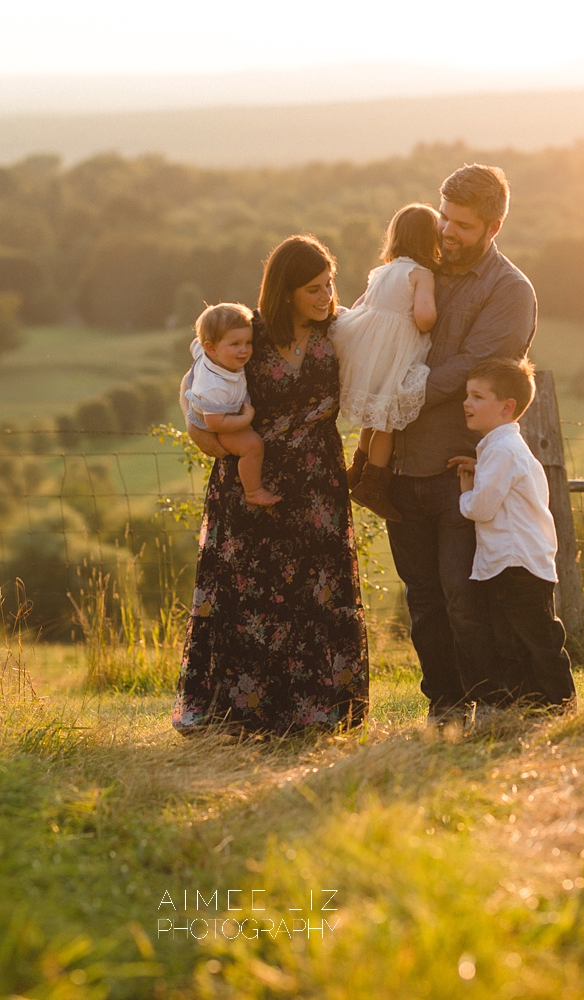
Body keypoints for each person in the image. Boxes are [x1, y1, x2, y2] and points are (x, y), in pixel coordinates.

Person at [172, 235, 370, 735]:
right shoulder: (247, 332)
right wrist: (202, 436)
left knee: (316, 591)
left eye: (329, 284)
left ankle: (319, 711)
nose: (325, 296)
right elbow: (195, 383)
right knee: (247, 591)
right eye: (312, 288)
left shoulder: (340, 331)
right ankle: (238, 712)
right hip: (250, 478)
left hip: (318, 480)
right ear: (284, 291)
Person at [385, 163, 539, 728]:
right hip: (401, 465)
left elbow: (475, 367)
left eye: (462, 225)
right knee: (423, 600)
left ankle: (490, 701)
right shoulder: (416, 267)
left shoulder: (510, 291)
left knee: (464, 597)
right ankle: (443, 704)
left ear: (493, 227)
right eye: (444, 216)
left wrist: (397, 392)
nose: (447, 231)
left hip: (461, 469)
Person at [447, 357, 575, 716]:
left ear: (507, 408)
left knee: (536, 639)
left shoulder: (502, 450)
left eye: (477, 396)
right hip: (512, 562)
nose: (466, 403)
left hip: (515, 564)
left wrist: (466, 493)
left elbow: (483, 508)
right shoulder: (499, 449)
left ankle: (562, 705)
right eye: (467, 395)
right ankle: (533, 707)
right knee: (516, 641)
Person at [330, 203, 440, 522]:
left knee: (373, 416)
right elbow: (423, 316)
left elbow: (361, 305)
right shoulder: (422, 274)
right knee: (388, 421)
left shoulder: (383, 271)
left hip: (369, 351)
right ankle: (374, 485)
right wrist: (432, 319)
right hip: (394, 354)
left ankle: (358, 469)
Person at [182, 302, 280, 507]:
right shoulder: (213, 387)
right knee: (252, 445)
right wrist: (246, 419)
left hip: (221, 413)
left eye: (248, 342)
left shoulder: (208, 351)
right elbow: (216, 423)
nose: (244, 350)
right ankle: (253, 491)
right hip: (214, 423)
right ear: (211, 348)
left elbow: (196, 345)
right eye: (235, 344)